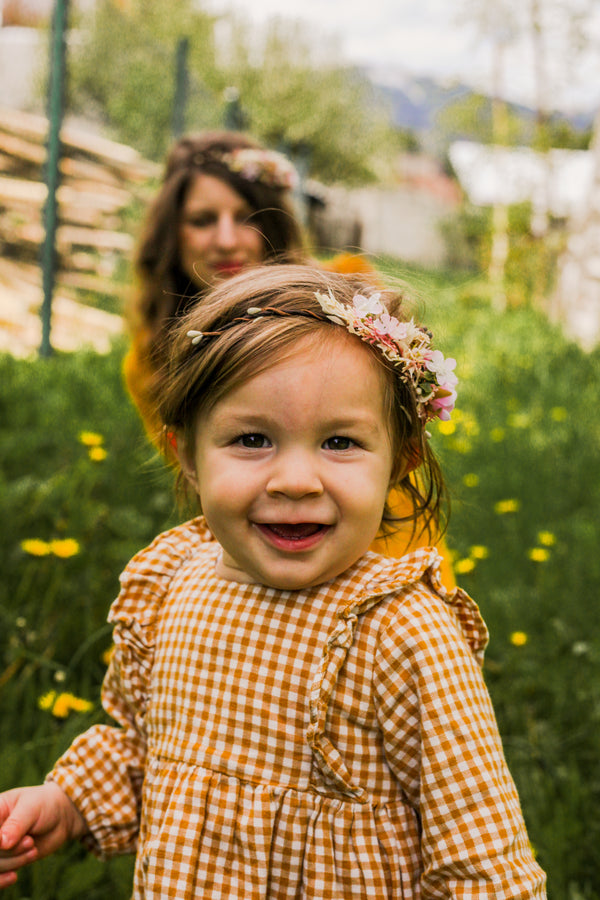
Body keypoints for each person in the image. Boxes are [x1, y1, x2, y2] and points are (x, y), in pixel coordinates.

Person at [0, 266, 545, 897]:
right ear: (187, 454)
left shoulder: (402, 633)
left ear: (402, 459)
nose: (294, 480)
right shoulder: (171, 586)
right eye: (252, 439)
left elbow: (481, 860)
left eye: (340, 442)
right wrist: (68, 803)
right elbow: (145, 752)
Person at [122, 130, 454, 584]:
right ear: (171, 233)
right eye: (202, 220)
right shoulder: (152, 359)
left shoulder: (352, 304)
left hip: (380, 539)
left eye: (245, 217)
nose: (225, 240)